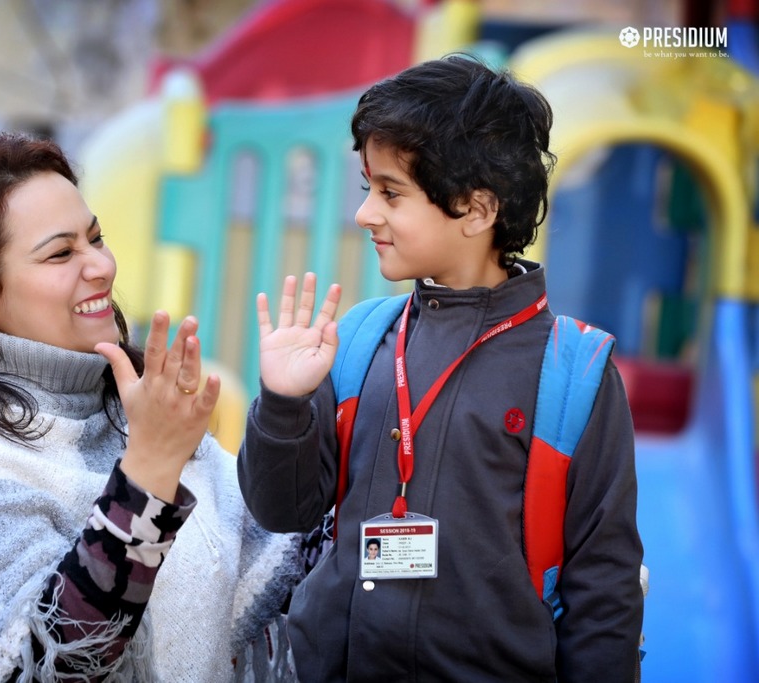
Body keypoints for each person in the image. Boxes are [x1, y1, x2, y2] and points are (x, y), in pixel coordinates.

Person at [0, 131, 301, 682]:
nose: (101, 266)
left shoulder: (134, 412)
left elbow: (290, 577)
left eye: (95, 238)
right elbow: (40, 671)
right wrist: (149, 474)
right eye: (61, 253)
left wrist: (291, 408)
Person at [237, 55, 644, 681]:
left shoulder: (575, 372)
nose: (365, 213)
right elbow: (281, 510)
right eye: (369, 187)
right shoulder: (358, 341)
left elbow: (604, 589)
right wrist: (284, 404)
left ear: (477, 211)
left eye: (391, 193)